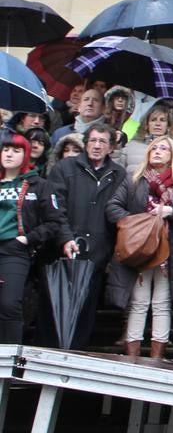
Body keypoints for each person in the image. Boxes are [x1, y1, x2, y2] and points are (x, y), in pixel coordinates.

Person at [106, 134, 173, 360]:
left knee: (162, 303)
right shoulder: (134, 179)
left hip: (170, 250)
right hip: (140, 249)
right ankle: (133, 358)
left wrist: (171, 212)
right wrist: (138, 223)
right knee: (139, 302)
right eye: (154, 148)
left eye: (163, 149)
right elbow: (113, 207)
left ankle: (157, 358)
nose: (157, 151)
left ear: (171, 155)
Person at [47, 122, 126, 349]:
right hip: (62, 252)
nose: (97, 146)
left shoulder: (118, 174)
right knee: (57, 312)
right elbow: (54, 206)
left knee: (85, 314)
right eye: (93, 140)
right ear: (85, 143)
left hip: (97, 256)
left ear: (111, 147)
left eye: (103, 141)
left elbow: (120, 212)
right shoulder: (65, 168)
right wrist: (65, 237)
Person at [0, 130, 66, 344]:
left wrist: (28, 238)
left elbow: (54, 221)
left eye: (16, 150)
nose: (9, 154)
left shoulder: (39, 185)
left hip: (15, 249)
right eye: (5, 149)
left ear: (25, 154)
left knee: (10, 303)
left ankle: (8, 361)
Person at [116, 99, 173, 184]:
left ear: (168, 126)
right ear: (146, 124)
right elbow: (117, 176)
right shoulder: (131, 147)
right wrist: (116, 147)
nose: (158, 123)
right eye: (153, 120)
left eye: (162, 120)